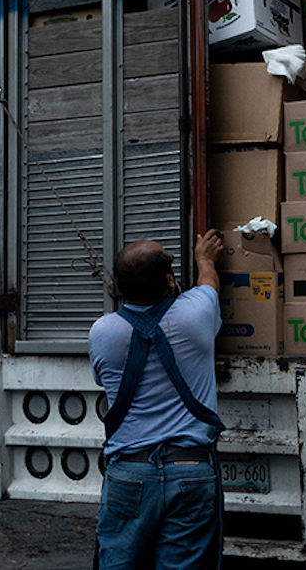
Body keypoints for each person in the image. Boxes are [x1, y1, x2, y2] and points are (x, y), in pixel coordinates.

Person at [89, 230, 226, 570]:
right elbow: (209, 281)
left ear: (119, 287)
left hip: (128, 474)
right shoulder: (196, 314)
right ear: (169, 279)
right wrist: (204, 258)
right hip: (191, 471)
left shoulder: (102, 332)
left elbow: (103, 381)